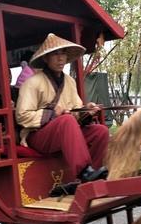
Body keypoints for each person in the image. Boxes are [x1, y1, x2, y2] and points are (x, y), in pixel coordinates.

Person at [15, 33, 109, 194]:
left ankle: (90, 177)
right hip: (37, 136)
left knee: (100, 131)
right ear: (45, 58)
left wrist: (87, 110)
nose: (60, 58)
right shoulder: (32, 83)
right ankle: (84, 172)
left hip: (65, 131)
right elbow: (22, 116)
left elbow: (76, 111)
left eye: (63, 53)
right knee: (66, 120)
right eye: (55, 54)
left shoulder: (70, 82)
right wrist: (52, 114)